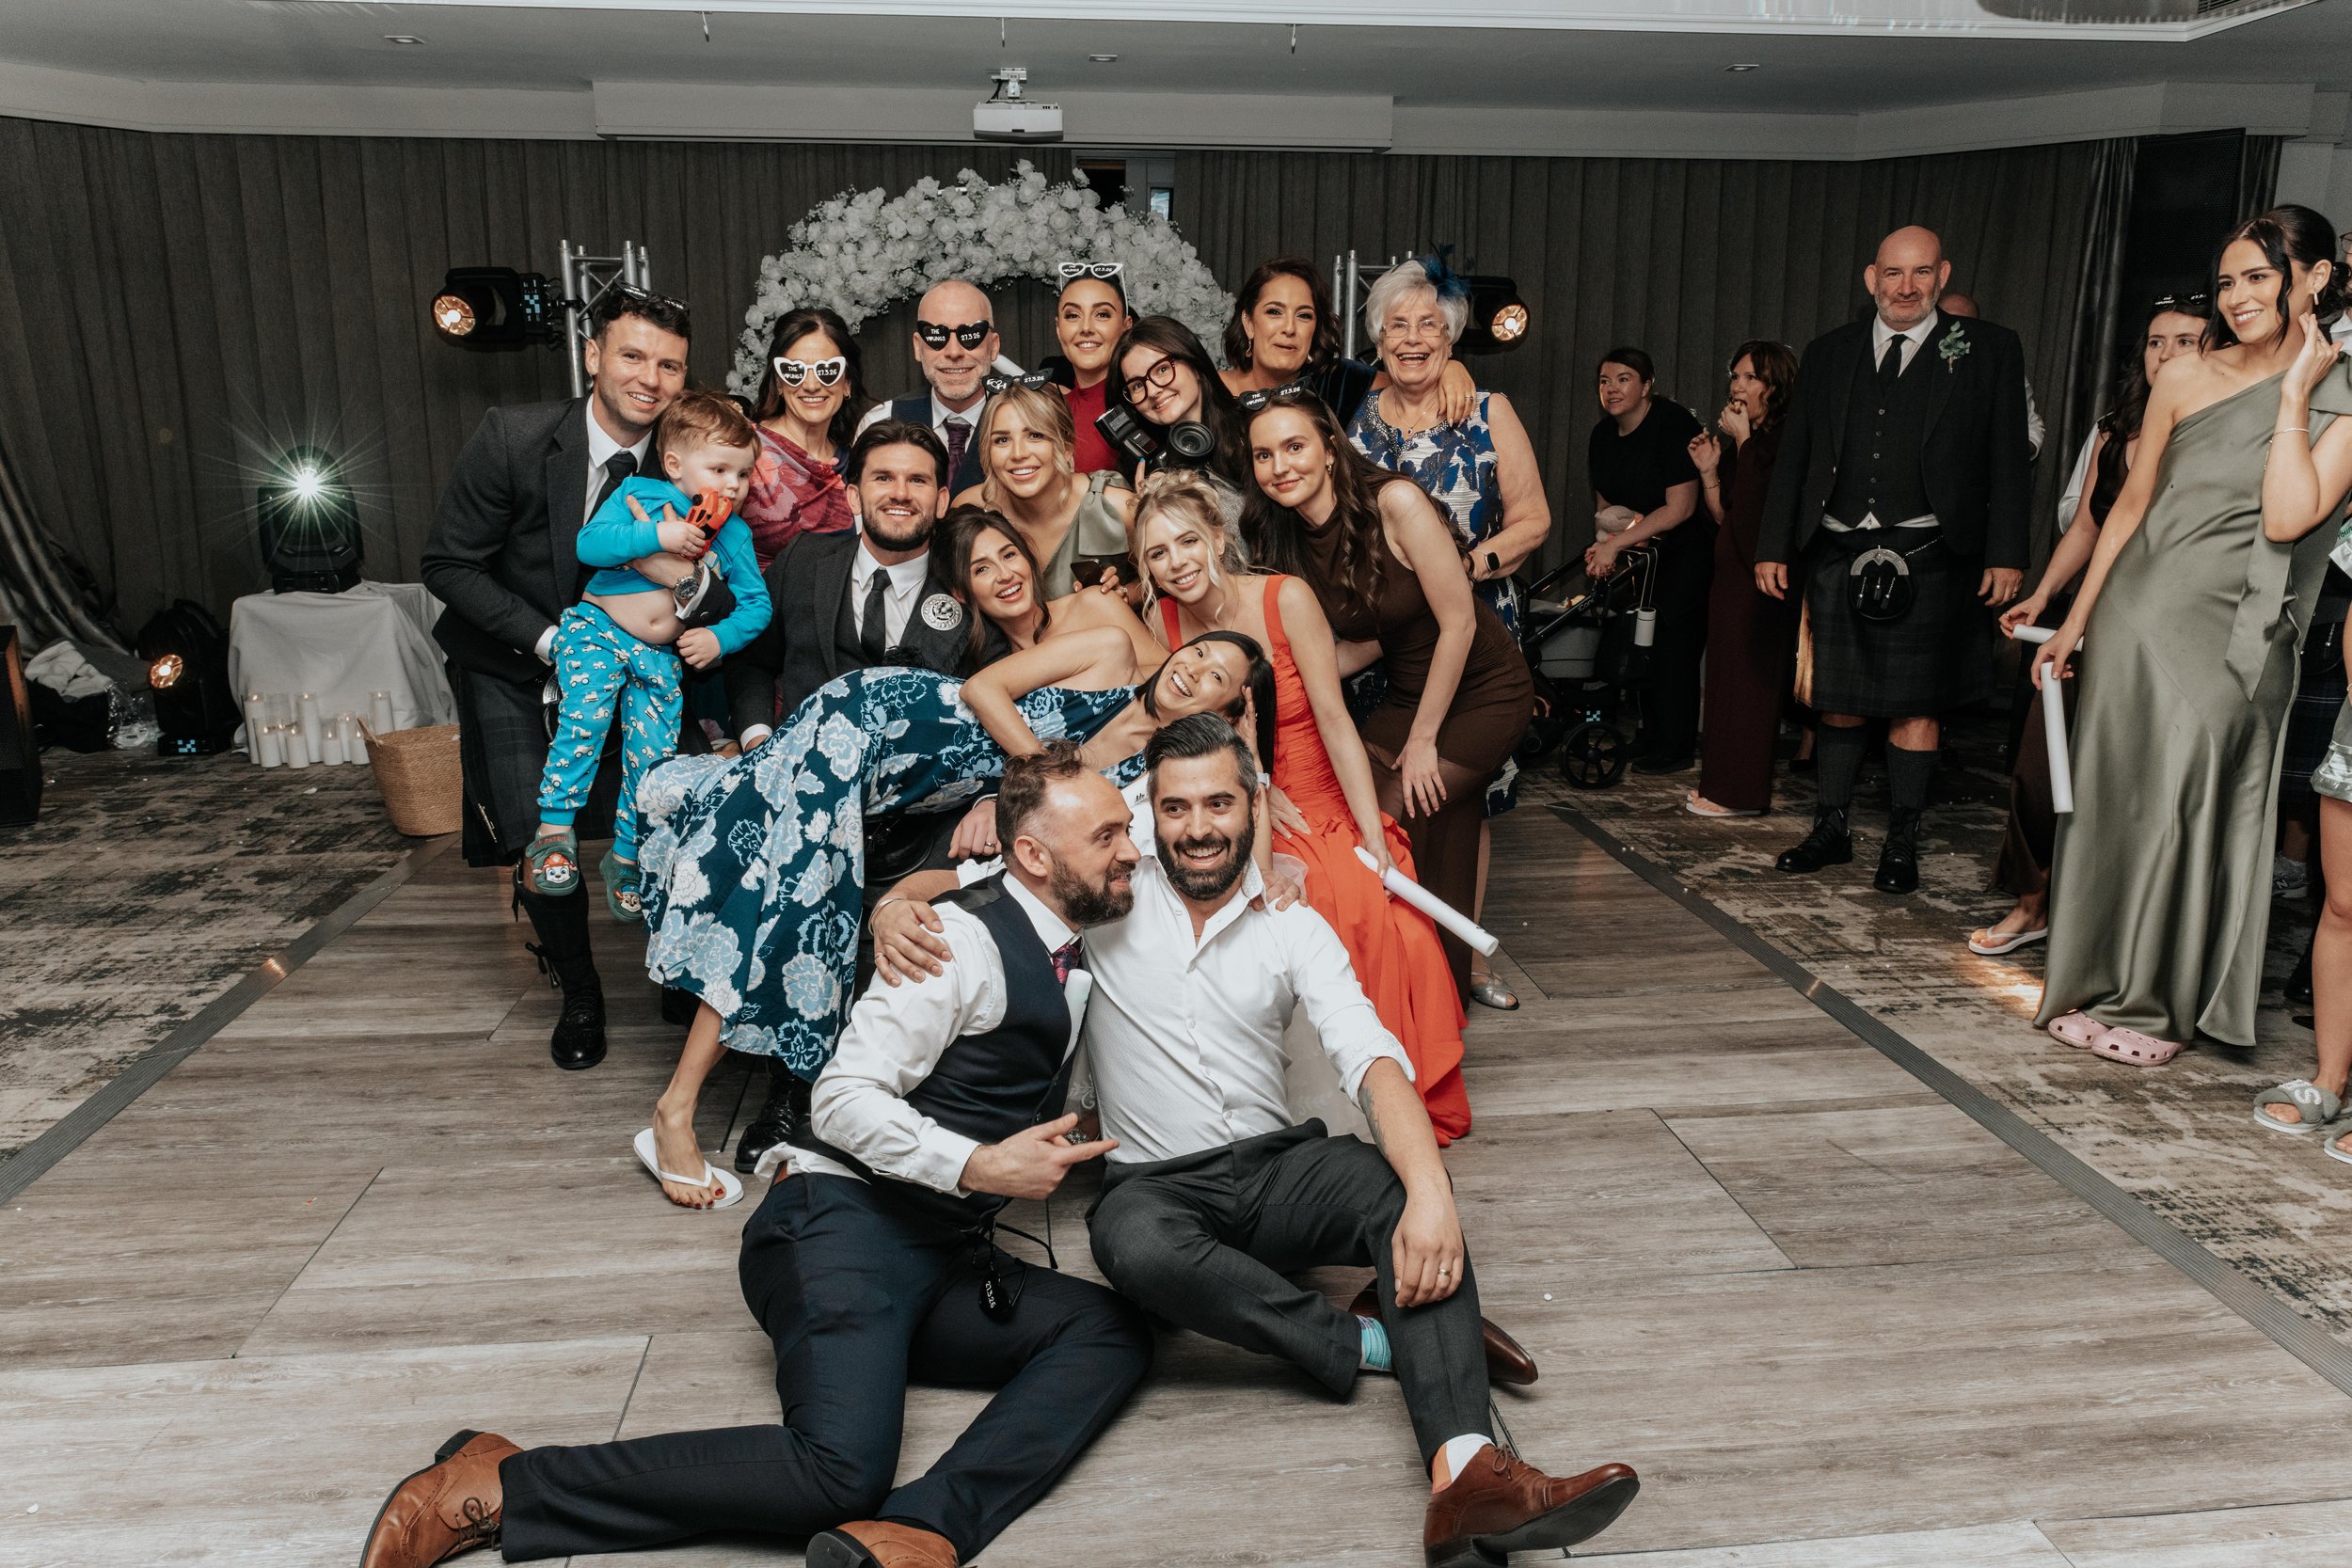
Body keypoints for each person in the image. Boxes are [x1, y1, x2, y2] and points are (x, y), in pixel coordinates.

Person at [354, 748, 1154, 1568]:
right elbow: (840, 1099)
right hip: (840, 1226)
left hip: (944, 1252)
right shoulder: (955, 944)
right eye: (1108, 836)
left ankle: (923, 1527)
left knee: (1108, 1330)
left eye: (1127, 830)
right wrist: (978, 1165)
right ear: (1034, 855)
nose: (1131, 849)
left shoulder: (1064, 937)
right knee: (837, 1472)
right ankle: (506, 1481)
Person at [1082, 717, 1642, 1564]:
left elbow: (1373, 1058)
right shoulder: (1105, 896)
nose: (1197, 827)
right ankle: (1383, 1339)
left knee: (1398, 1190)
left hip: (1276, 1172)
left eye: (1219, 803)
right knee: (1128, 1239)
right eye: (1176, 807)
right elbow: (995, 883)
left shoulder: (1292, 922)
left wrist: (1433, 1196)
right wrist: (910, 899)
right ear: (1148, 812)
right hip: (1157, 1187)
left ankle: (1466, 1475)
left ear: (1255, 804)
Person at [631, 626, 1273, 1207]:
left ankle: (717, 1108)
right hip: (874, 717)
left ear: (1226, 712)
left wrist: (1250, 763)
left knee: (771, 881)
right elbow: (982, 688)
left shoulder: (1143, 776)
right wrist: (1024, 789)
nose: (1191, 668)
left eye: (1215, 675)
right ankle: (678, 1111)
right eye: (1196, 651)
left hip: (898, 788)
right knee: (800, 898)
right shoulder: (1109, 650)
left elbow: (1250, 858)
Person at [2037, 204, 2352, 1068]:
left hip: (2244, 631)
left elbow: (2292, 517)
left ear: (2315, 278)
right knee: (2117, 800)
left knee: (2191, 805)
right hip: (2140, 609)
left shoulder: (2345, 395)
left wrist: (2297, 392)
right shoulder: (2183, 375)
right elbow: (2130, 508)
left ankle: (2161, 1002)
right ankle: (2098, 979)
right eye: (2227, 282)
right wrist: (2077, 620)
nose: (2238, 296)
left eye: (2259, 277)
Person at [1130, 471, 1472, 1142]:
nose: (1177, 563)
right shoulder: (1158, 620)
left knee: (1365, 906)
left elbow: (1336, 720)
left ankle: (1388, 1093)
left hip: (1317, 796)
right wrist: (1252, 780)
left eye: (1187, 542)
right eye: (1157, 554)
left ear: (1218, 538)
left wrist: (1372, 833)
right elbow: (1175, 728)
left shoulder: (1284, 597)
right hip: (1241, 798)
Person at [420, 286, 692, 1071]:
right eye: (633, 355)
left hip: (641, 668)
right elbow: (447, 563)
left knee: (668, 818)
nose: (650, 378)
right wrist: (554, 644)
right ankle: (579, 988)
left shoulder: (685, 458)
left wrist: (689, 596)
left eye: (670, 365)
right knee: (541, 839)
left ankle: (678, 970)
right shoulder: (513, 437)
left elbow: (723, 571)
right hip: (515, 661)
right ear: (593, 355)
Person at [718, 420, 989, 1173]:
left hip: (928, 813)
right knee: (792, 882)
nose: (900, 493)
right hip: (811, 804)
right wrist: (755, 738)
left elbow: (1005, 692)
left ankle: (907, 1096)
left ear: (942, 497)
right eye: (883, 478)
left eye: (917, 480)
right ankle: (790, 1089)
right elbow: (753, 659)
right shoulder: (807, 559)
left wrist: (994, 797)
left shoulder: (971, 575)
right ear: (853, 490)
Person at [1756, 225, 2031, 896]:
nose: (1905, 287)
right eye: (1893, 273)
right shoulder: (1829, 351)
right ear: (1870, 278)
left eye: (1920, 273)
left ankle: (1903, 837)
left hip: (1932, 552)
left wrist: (2007, 554)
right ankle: (1832, 827)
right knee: (1837, 701)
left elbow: (2008, 457)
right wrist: (1772, 544)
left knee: (1918, 705)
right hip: (1838, 548)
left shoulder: (1989, 348)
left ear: (1943, 275)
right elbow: (1795, 457)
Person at [1244, 390, 1534, 1001]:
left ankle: (1417, 987)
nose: (1280, 466)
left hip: (1484, 689)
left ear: (1330, 449)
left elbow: (1458, 622)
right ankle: (1431, 982)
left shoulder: (1395, 502)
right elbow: (1363, 641)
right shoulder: (1283, 538)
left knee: (1403, 808)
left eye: (1294, 446)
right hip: (1408, 690)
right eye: (1264, 455)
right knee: (1364, 818)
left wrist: (1424, 740)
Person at [1966, 297, 2207, 958]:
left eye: (2186, 340)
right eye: (2155, 341)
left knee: (2126, 781)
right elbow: (2088, 526)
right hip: (2090, 618)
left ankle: (2110, 925)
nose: (2166, 354)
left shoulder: (2216, 433)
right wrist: (2043, 595)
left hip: (2169, 631)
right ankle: (2032, 904)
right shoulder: (2114, 429)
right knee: (2040, 766)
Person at [1345, 257, 1554, 1007]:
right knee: (1393, 791)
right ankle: (1397, 961)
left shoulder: (1488, 409)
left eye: (1429, 325)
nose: (1412, 338)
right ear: (1378, 339)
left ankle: (1465, 960)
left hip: (1477, 631)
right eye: (1397, 325)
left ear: (1451, 338)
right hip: (1384, 642)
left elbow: (1534, 519)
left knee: (1470, 798)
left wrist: (1464, 566)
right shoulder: (1357, 415)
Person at [527, 392, 771, 924]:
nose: (734, 485)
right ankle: (553, 832)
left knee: (652, 758)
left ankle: (626, 857)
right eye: (720, 470)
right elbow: (588, 545)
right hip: (598, 630)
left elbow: (757, 605)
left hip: (660, 655)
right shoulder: (639, 493)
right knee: (585, 721)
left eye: (743, 473)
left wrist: (720, 638)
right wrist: (657, 534)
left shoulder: (735, 534)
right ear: (676, 464)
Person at [1687, 341, 1801, 817]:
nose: (1738, 385)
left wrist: (1745, 443)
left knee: (1750, 685)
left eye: (1750, 377)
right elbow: (1725, 517)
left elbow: (1763, 520)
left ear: (1775, 386)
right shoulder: (1746, 443)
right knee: (1725, 680)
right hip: (1731, 574)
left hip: (1764, 579)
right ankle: (1720, 785)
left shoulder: (1783, 441)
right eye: (1735, 376)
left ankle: (1742, 795)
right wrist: (1710, 471)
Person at [1584, 347, 1709, 775]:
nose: (1612, 389)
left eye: (1623, 379)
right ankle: (1649, 734)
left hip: (1685, 553)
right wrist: (1605, 545)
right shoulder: (1602, 435)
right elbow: (1605, 505)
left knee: (1674, 647)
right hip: (1640, 555)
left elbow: (1681, 508)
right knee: (1641, 644)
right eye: (1604, 381)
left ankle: (1675, 746)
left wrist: (1617, 544)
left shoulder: (1672, 423)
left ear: (1646, 385)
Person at [1218, 254, 1474, 428]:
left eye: (1304, 315)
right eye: (1274, 312)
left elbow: (1410, 379)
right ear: (1249, 323)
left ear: (1315, 328)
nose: (1289, 328)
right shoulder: (1211, 389)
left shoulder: (1338, 382)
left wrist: (1450, 368)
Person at [952, 382, 1136, 599]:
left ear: (1066, 446)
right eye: (1002, 440)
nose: (1018, 454)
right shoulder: (971, 509)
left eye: (1035, 436)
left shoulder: (1116, 507)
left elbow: (1158, 583)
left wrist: (1124, 594)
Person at [931, 504, 1163, 675]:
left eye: (1009, 555)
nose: (1005, 575)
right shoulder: (998, 670)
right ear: (960, 593)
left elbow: (1171, 674)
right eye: (982, 569)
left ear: (1027, 557)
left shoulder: (1094, 603)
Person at [741, 304, 868, 565]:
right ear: (779, 382)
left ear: (847, 383)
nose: (811, 385)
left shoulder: (857, 460)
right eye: (794, 371)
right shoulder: (745, 449)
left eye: (827, 371)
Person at [855, 278, 999, 494]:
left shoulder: (1027, 422)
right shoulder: (880, 422)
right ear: (917, 347)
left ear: (993, 346)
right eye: (937, 336)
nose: (953, 352)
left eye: (970, 336)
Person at [1106, 315, 1252, 526]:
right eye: (1137, 385)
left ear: (1195, 364)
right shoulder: (1150, 473)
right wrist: (1149, 510)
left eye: (1162, 369)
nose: (1153, 391)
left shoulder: (1253, 428)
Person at [1052, 262, 1133, 475]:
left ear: (1126, 326)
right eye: (1072, 315)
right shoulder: (1050, 409)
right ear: (1059, 329)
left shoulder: (1145, 401)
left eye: (1102, 314)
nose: (1086, 327)